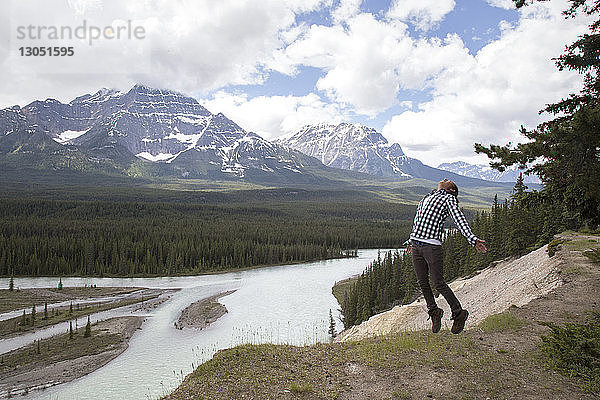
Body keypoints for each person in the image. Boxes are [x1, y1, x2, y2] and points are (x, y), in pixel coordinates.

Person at [405, 179, 487, 334]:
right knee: (422, 282)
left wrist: (473, 240)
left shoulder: (448, 199)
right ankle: (434, 311)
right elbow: (418, 221)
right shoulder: (427, 196)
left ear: (451, 189)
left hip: (431, 246)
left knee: (438, 283)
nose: (444, 180)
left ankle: (458, 313)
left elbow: (459, 220)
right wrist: (410, 240)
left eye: (448, 181)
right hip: (416, 245)